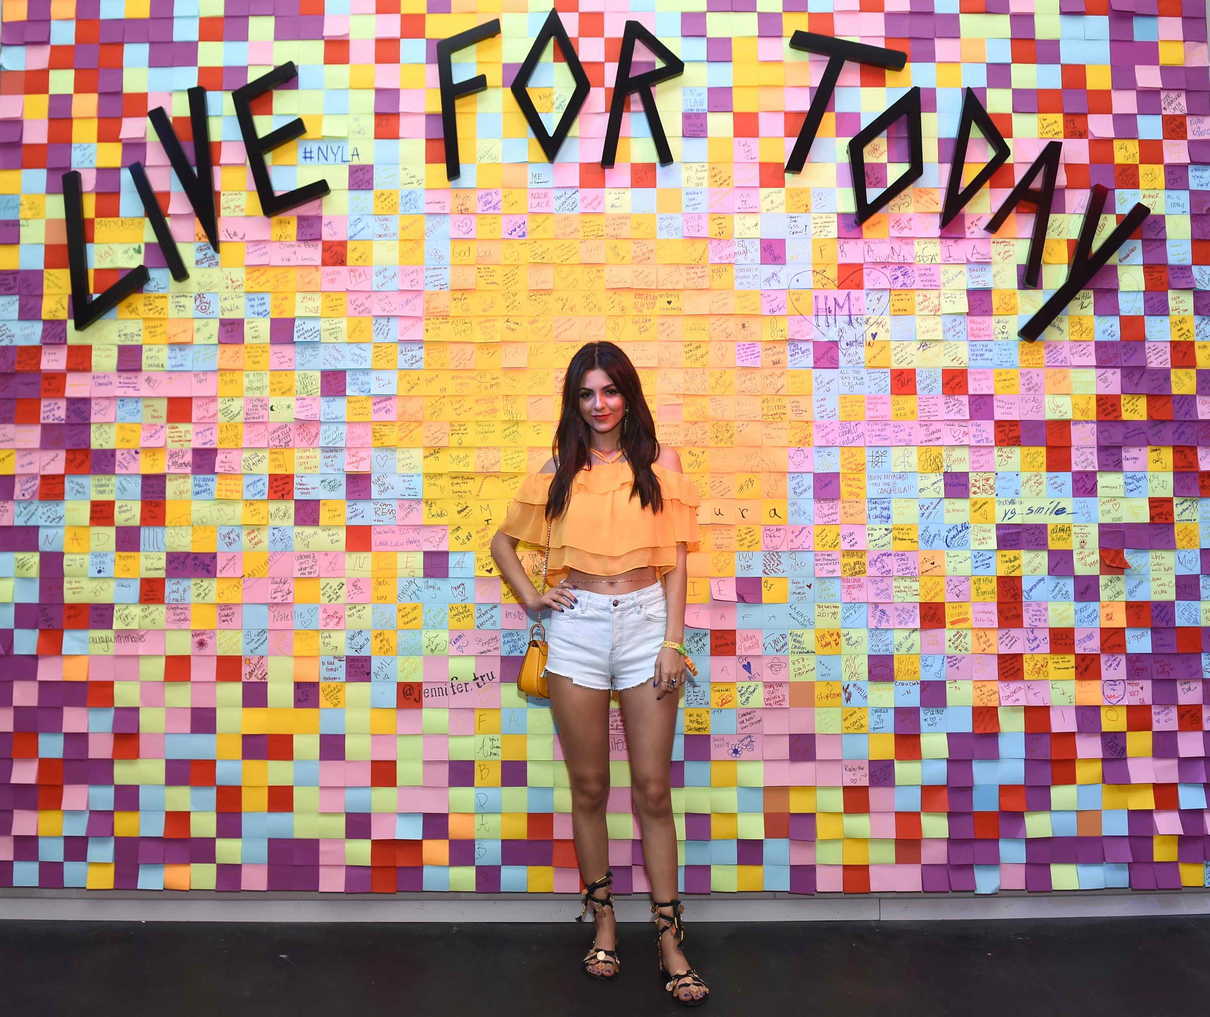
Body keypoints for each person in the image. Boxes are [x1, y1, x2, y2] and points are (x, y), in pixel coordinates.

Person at [490, 341, 710, 1006]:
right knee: (589, 786)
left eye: (609, 390)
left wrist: (674, 640)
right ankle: (604, 920)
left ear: (628, 394)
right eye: (587, 394)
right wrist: (534, 596)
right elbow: (503, 540)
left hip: (647, 625)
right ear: (574, 402)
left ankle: (670, 939)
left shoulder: (660, 462)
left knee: (652, 789)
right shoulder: (559, 466)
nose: (599, 404)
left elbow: (675, 561)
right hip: (577, 628)